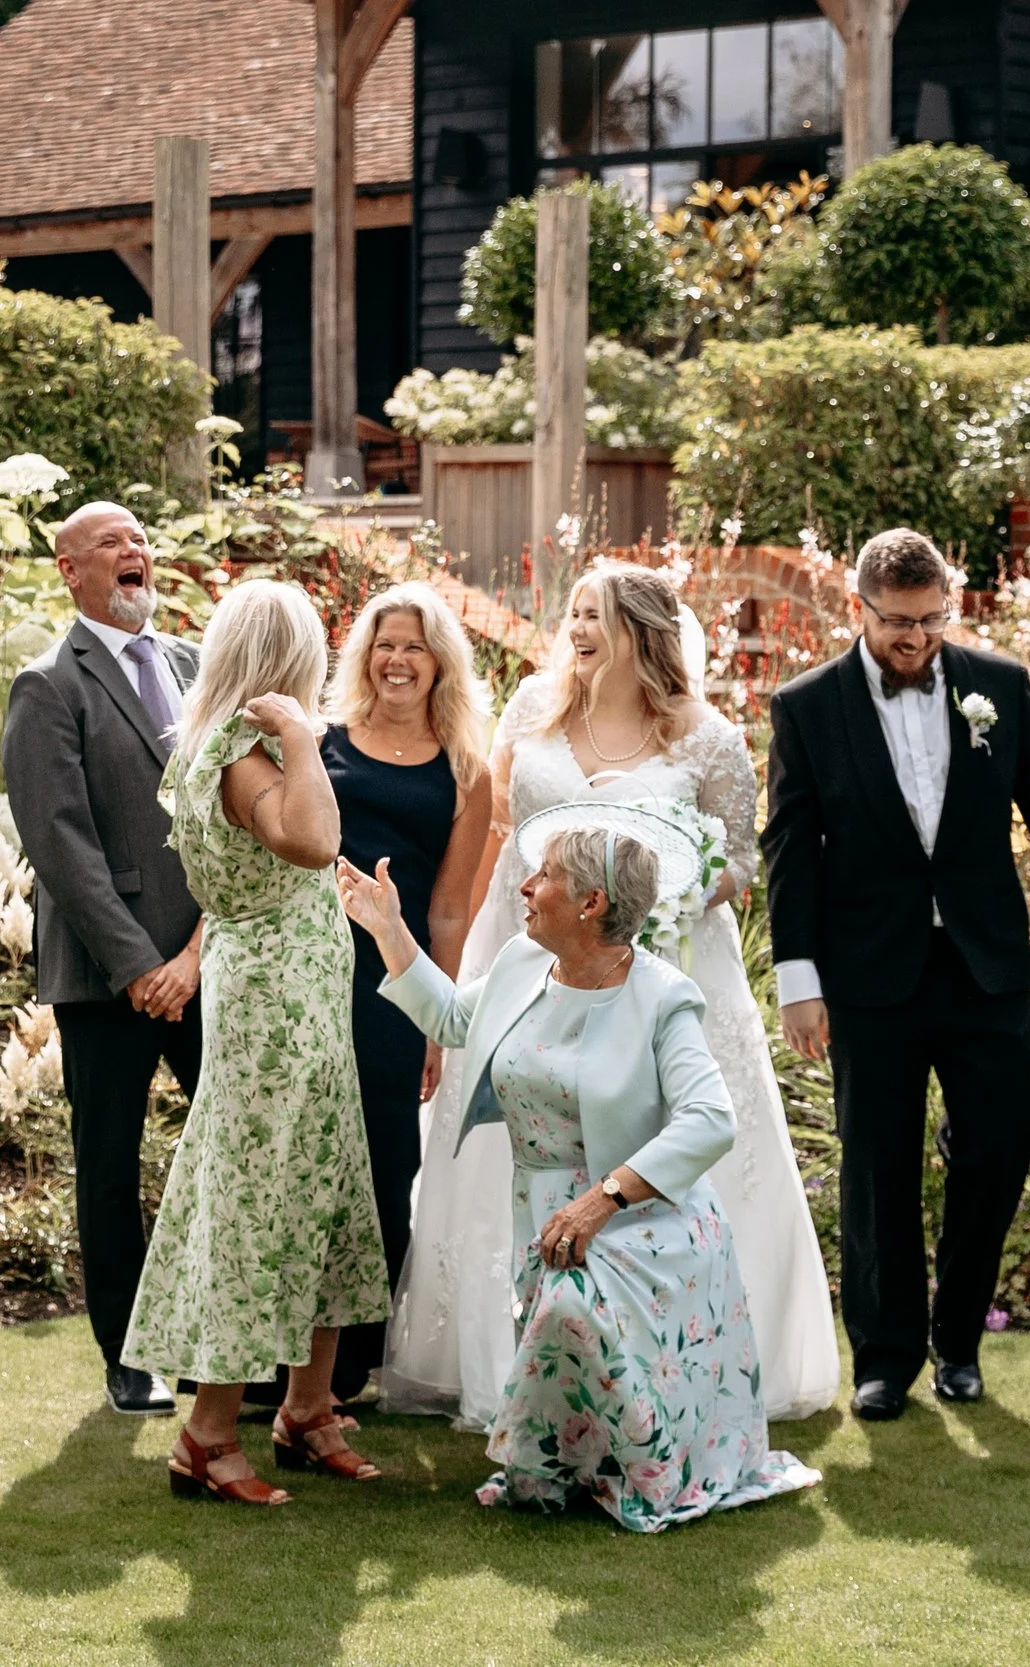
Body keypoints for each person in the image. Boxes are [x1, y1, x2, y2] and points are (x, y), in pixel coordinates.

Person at [387, 561, 838, 1430]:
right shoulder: (531, 712)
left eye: (596, 615)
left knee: (669, 1131)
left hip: (665, 966)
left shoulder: (705, 738)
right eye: (575, 612)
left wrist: (669, 898)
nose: (578, 628)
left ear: (641, 630)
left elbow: (739, 859)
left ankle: (677, 1351)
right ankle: (512, 1357)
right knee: (512, 1147)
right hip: (530, 947)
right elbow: (503, 834)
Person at [341, 810, 822, 1531]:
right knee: (568, 1324)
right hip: (541, 1209)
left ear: (592, 902)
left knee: (573, 1312)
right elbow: (450, 1019)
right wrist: (388, 929)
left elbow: (710, 1118)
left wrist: (603, 1198)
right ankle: (573, 1467)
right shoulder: (519, 965)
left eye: (545, 876)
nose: (525, 887)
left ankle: (639, 1470)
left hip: (644, 1218)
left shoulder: (664, 995)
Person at [762, 528, 1030, 1422]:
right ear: (859, 609)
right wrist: (797, 972)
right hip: (868, 971)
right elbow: (792, 848)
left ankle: (960, 1339)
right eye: (897, 623)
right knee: (878, 1164)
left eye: (931, 620)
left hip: (984, 963)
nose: (916, 639)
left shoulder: (998, 686)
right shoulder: (807, 706)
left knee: (998, 1149)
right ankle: (885, 1358)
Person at [121, 578, 388, 1506]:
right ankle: (208, 1432)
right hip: (273, 1006)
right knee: (257, 1195)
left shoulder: (223, 739)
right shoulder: (244, 750)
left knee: (317, 1178)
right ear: (290, 659)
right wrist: (310, 741)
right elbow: (310, 841)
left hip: (293, 993)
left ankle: (307, 1410)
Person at [2, 502, 204, 1418]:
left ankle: (217, 1339)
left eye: (140, 539)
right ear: (69, 569)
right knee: (110, 1170)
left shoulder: (199, 668)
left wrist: (197, 952)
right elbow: (61, 841)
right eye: (111, 543)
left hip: (208, 963)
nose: (135, 552)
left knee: (228, 1155)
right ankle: (129, 1358)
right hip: (105, 975)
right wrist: (138, 965)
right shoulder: (48, 683)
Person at [317, 583, 493, 1401]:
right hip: (311, 975)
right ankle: (276, 1366)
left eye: (415, 646)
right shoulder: (321, 743)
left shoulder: (465, 769)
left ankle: (356, 1361)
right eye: (385, 643)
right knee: (308, 1160)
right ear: (364, 654)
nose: (397, 659)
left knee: (388, 1164)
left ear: (439, 663)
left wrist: (437, 1016)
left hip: (394, 985)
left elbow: (452, 907)